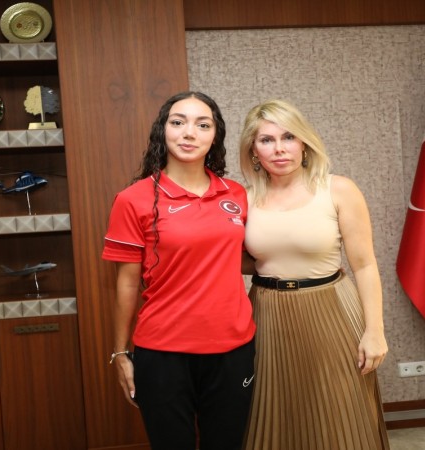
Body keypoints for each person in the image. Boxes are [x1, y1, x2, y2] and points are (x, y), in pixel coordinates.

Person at [102, 91, 256, 450]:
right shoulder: (134, 199)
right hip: (163, 352)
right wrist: (120, 353)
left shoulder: (236, 194)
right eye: (178, 122)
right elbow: (126, 283)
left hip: (233, 349)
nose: (189, 133)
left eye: (203, 125)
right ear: (163, 130)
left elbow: (247, 256)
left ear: (215, 136)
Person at [239, 99, 390, 449]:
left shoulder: (338, 189)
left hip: (331, 310)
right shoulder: (244, 200)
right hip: (266, 313)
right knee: (273, 414)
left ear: (304, 143)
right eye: (266, 140)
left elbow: (365, 265)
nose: (279, 149)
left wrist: (375, 331)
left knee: (340, 415)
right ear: (253, 150)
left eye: (288, 137)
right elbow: (244, 260)